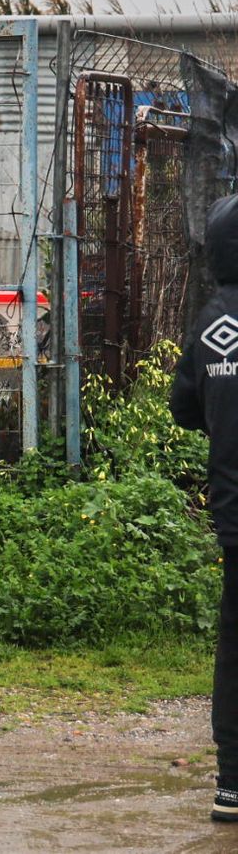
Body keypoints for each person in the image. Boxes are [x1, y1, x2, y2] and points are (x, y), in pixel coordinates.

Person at [170, 194, 238, 823]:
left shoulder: (212, 322)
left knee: (235, 646)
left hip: (234, 512)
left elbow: (184, 408)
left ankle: (232, 784)